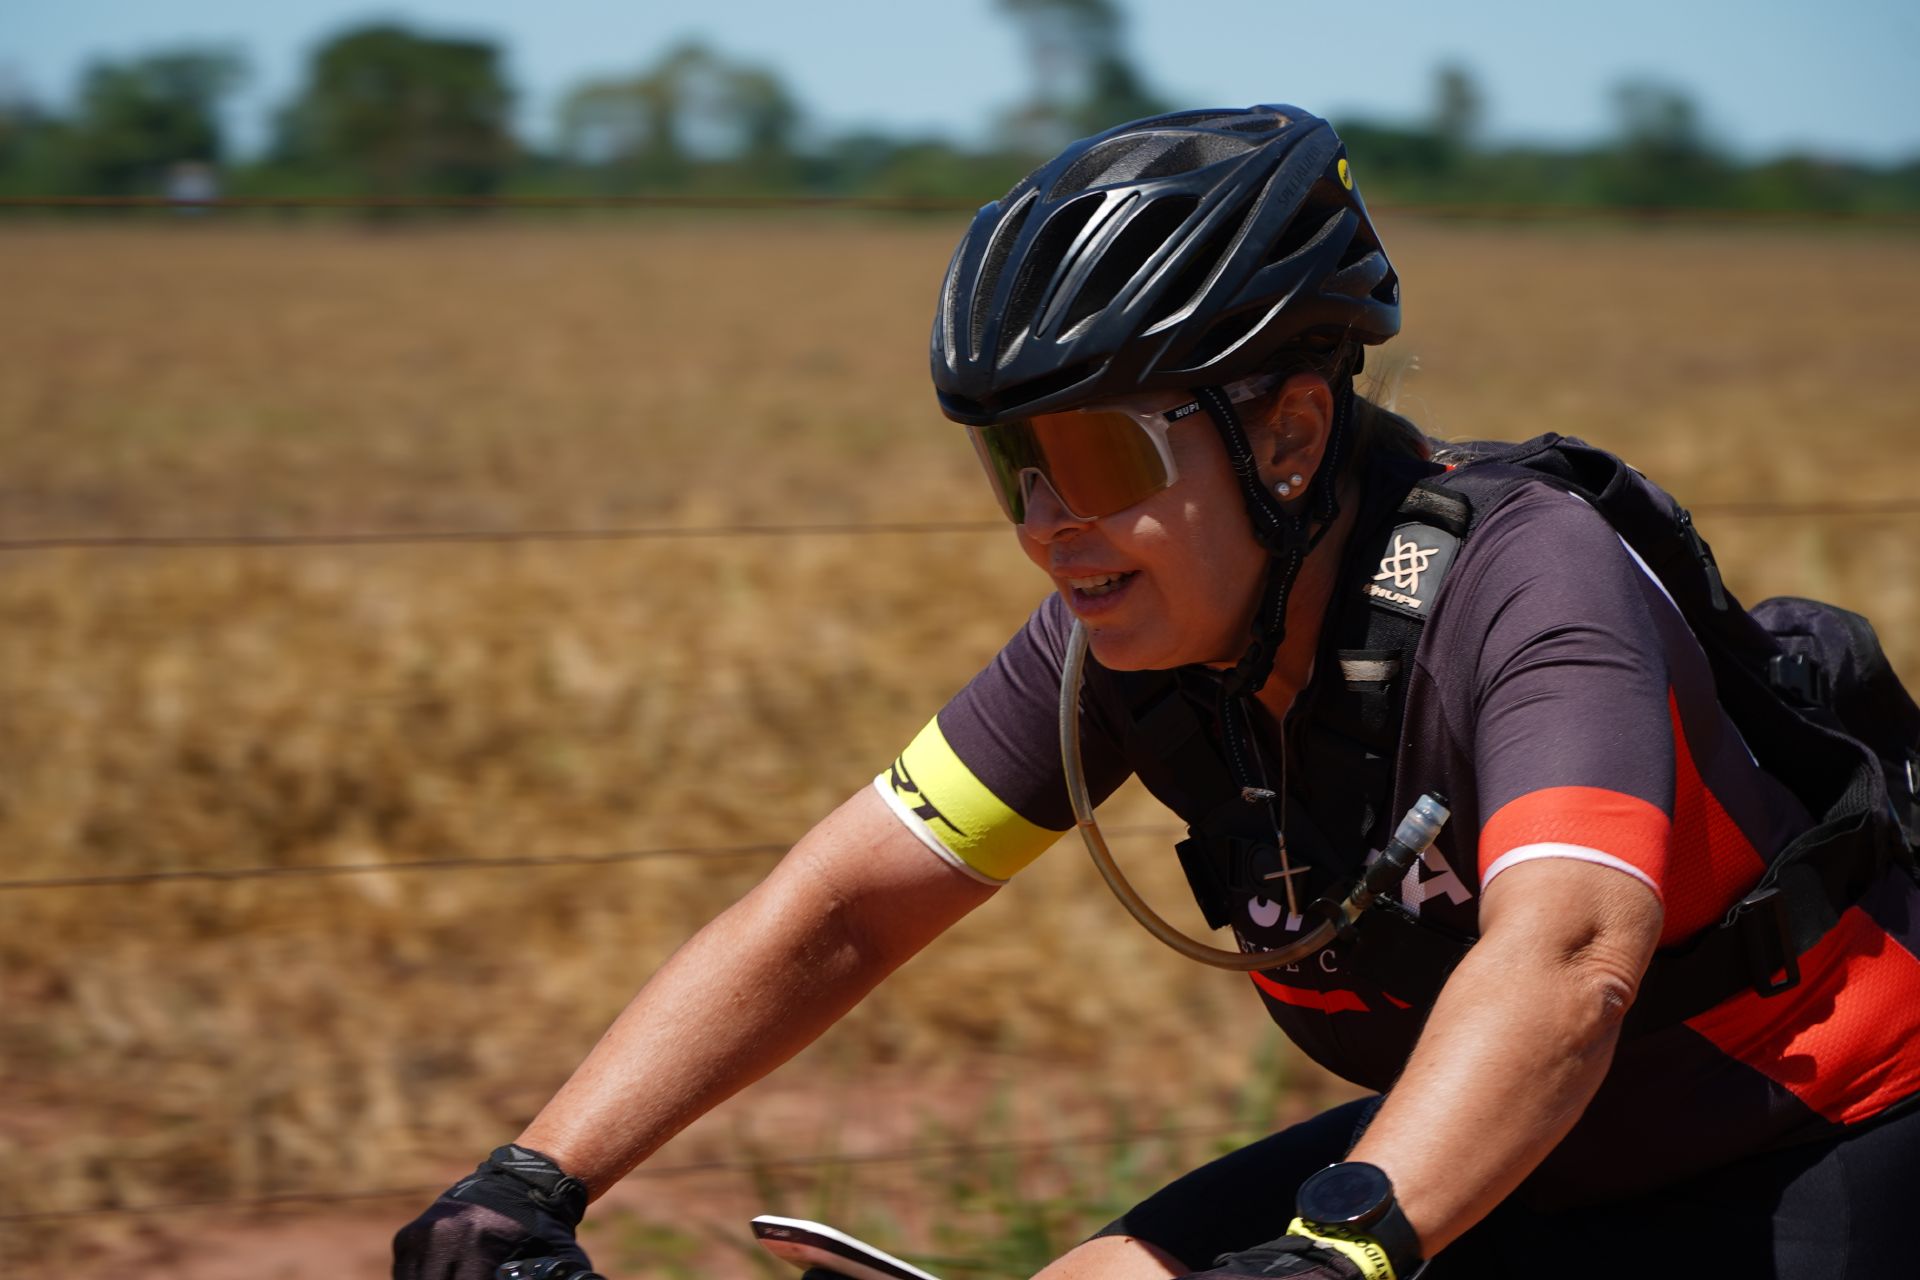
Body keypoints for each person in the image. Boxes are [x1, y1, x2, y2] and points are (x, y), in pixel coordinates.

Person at [393, 105, 1920, 1280]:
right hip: (1524, 1156)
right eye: (1014, 463)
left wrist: (1339, 1257)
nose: (1047, 522)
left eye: (1098, 455)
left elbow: (1569, 957)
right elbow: (847, 909)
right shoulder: (1127, 636)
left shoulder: (1532, 584)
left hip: (1814, 1132)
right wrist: (529, 1181)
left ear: (1291, 435)